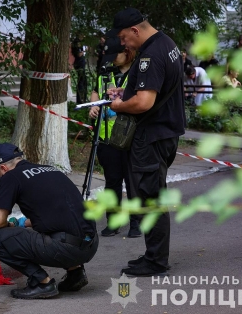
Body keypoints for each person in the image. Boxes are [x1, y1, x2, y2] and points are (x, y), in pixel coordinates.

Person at [106, 8, 186, 277]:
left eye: (124, 38)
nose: (124, 44)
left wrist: (119, 105)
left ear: (136, 31)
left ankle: (156, 260)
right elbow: (152, 88)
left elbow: (143, 102)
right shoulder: (167, 44)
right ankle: (154, 253)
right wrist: (126, 91)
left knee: (150, 197)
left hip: (151, 136)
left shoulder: (150, 55)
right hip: (165, 133)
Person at [0, 140, 98, 299]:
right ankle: (75, 273)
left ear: (3, 168)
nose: (0, 178)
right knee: (61, 229)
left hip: (65, 249)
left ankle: (42, 282)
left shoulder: (11, 176)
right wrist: (22, 223)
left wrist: (10, 225)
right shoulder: (50, 169)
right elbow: (54, 213)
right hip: (91, 244)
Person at [88, 36, 141, 238]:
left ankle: (136, 222)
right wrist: (94, 106)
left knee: (133, 181)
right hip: (106, 138)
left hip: (130, 138)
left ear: (127, 52)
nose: (112, 60)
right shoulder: (105, 73)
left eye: (116, 55)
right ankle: (113, 221)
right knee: (112, 182)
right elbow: (96, 91)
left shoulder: (138, 73)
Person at [72, 34, 88, 104]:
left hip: (80, 63)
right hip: (79, 63)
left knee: (83, 81)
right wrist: (84, 50)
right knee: (81, 82)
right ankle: (80, 100)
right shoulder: (76, 43)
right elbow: (79, 54)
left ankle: (83, 98)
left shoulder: (80, 43)